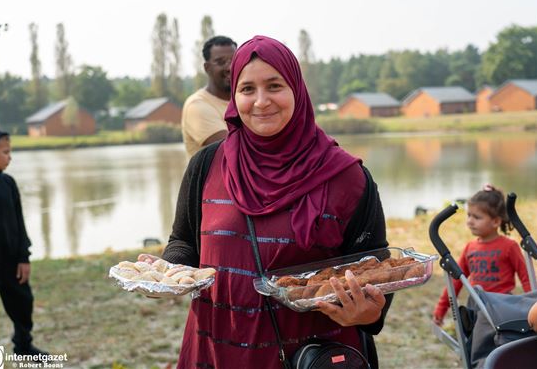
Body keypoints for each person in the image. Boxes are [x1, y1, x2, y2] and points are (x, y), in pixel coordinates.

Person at [140, 35, 393, 369]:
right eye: (247, 89)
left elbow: (375, 263)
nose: (261, 102)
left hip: (309, 358)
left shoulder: (347, 178)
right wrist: (169, 270)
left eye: (274, 86)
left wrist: (371, 311)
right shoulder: (206, 165)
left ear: (297, 91)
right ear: (234, 96)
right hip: (216, 352)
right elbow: (184, 240)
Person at [0, 128, 47, 355]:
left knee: (23, 306)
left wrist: (23, 256)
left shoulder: (8, 184)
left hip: (11, 263)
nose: (10, 157)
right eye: (5, 152)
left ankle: (24, 348)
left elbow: (19, 222)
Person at [433, 184, 532, 326]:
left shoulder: (509, 247)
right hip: (476, 306)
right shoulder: (470, 248)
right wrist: (441, 308)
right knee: (477, 346)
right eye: (469, 215)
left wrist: (533, 305)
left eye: (477, 217)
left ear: (496, 221)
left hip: (503, 307)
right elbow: (456, 281)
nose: (470, 221)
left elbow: (526, 278)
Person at [181, 35, 237, 157]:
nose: (229, 67)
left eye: (234, 61)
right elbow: (232, 150)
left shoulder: (244, 101)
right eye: (221, 62)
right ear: (207, 68)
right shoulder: (196, 106)